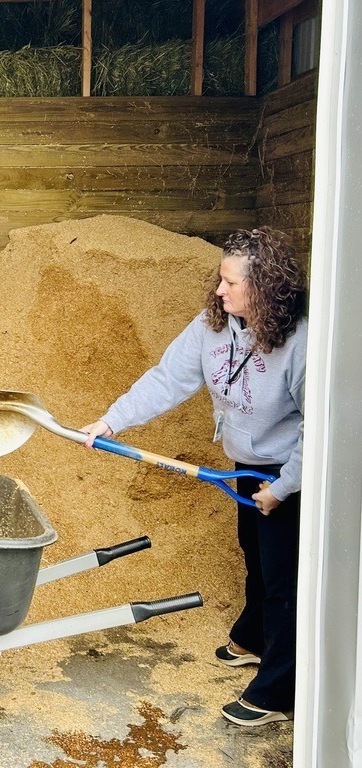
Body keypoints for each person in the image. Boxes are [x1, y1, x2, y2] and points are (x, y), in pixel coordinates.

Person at [81, 228, 306, 727]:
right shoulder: (213, 323)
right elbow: (169, 377)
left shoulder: (301, 341)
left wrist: (283, 488)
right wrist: (111, 419)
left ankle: (277, 690)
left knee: (285, 582)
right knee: (254, 553)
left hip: (288, 470)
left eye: (230, 283)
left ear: (265, 288)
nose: (219, 291)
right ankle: (253, 637)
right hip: (245, 466)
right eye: (219, 280)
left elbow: (322, 429)